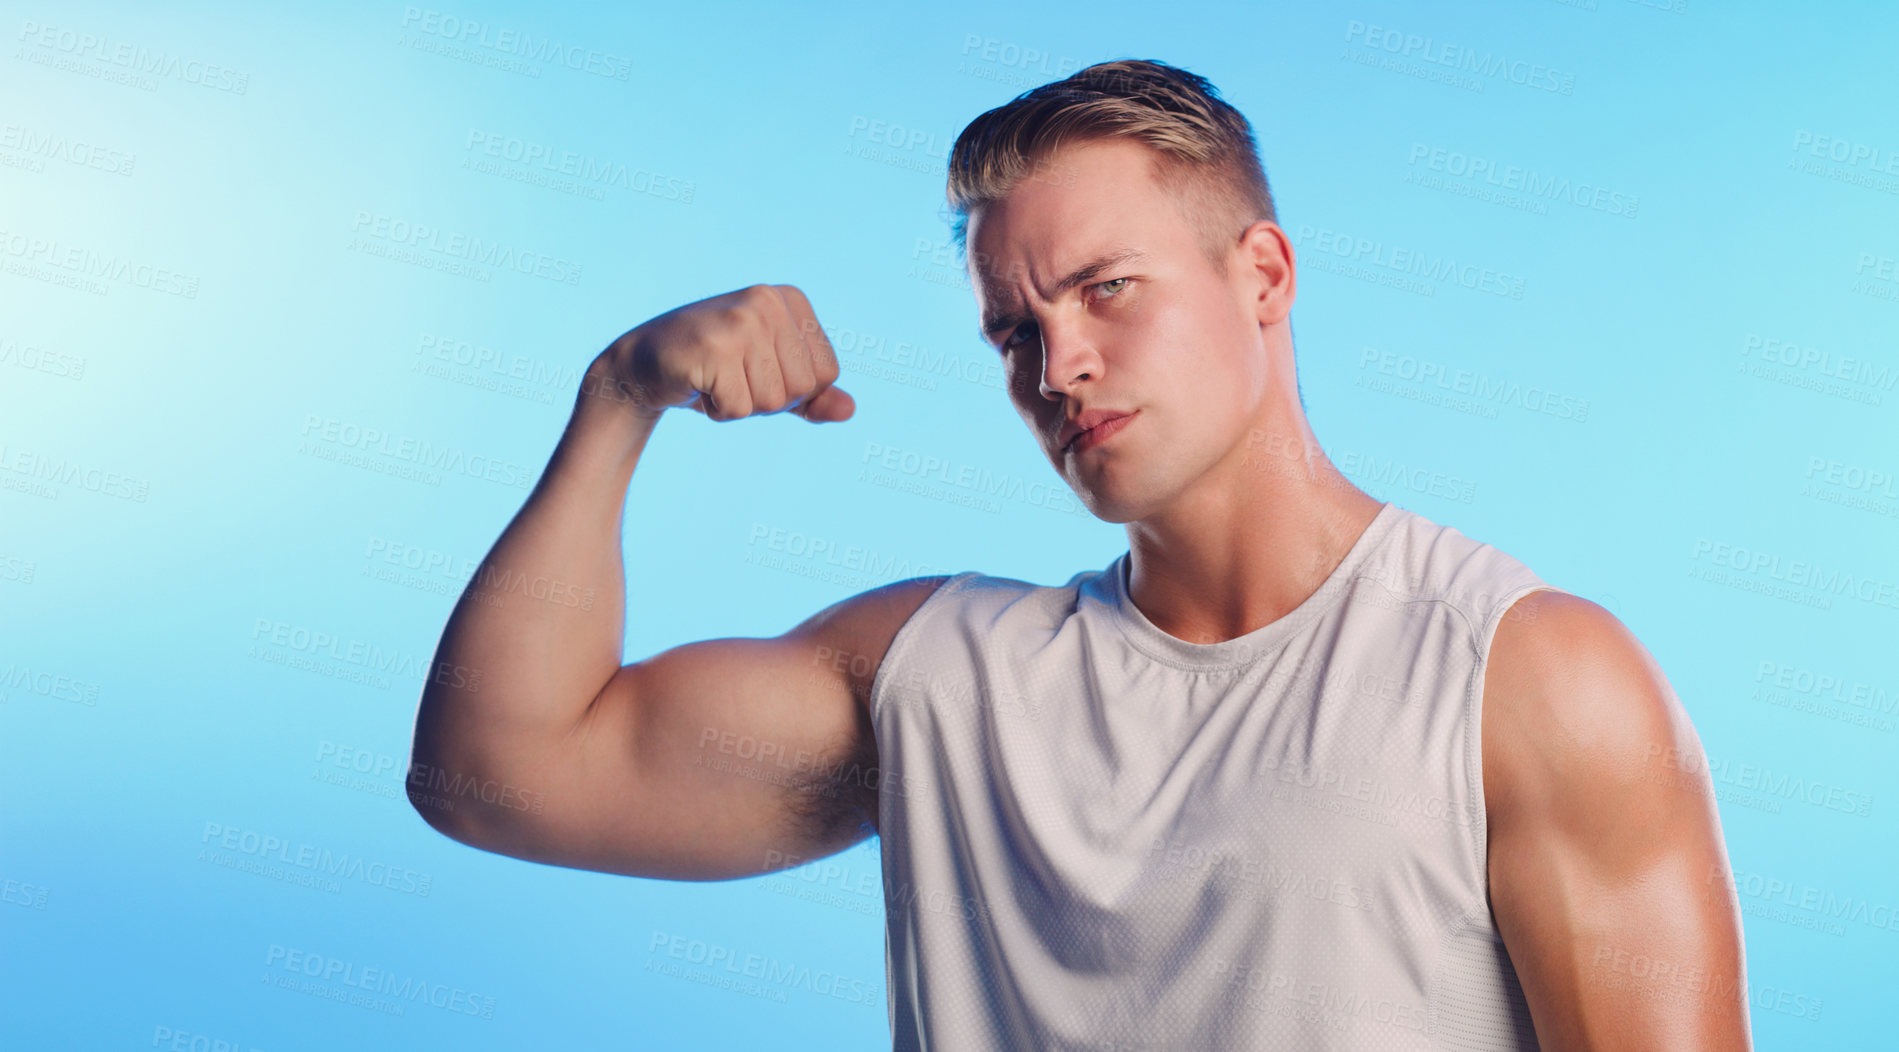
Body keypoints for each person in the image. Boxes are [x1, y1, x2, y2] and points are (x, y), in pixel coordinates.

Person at [406, 58, 1750, 1050]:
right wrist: (618, 398)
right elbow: (495, 777)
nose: (1061, 365)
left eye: (1108, 288)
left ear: (1263, 278)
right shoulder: (938, 673)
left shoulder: (1524, 678)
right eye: (1012, 328)